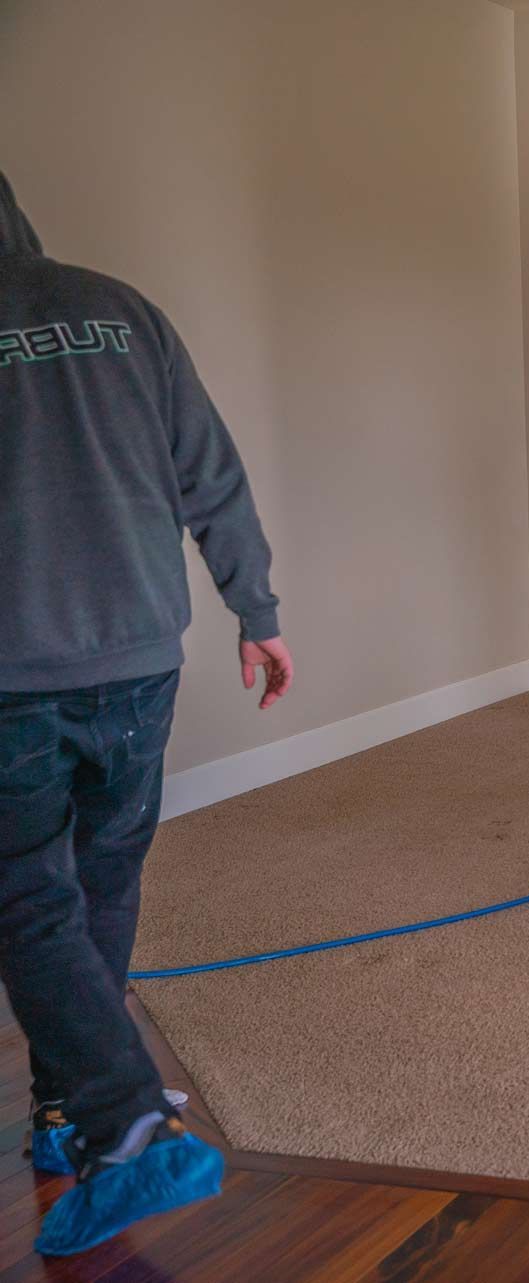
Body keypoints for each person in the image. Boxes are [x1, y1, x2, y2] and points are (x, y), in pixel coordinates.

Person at [0, 171, 292, 1256]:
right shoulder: (118, 308)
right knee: (103, 880)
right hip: (138, 656)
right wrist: (257, 610)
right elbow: (209, 470)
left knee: (30, 900)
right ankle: (66, 1111)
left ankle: (125, 1124)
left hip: (14, 670)